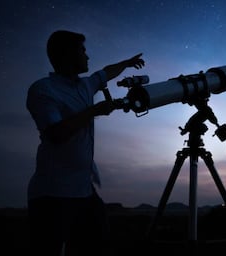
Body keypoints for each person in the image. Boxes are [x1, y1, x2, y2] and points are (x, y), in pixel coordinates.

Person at [26, 30, 145, 256]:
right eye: (83, 50)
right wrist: (95, 111)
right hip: (53, 194)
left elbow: (107, 72)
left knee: (97, 246)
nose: (88, 56)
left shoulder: (85, 86)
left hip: (84, 191)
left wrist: (127, 63)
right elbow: (56, 133)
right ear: (67, 54)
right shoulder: (43, 90)